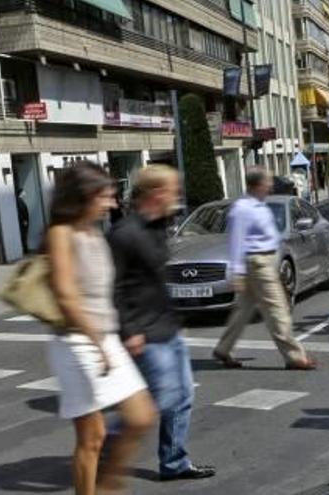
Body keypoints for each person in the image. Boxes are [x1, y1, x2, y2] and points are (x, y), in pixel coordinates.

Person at [45, 162, 156, 495]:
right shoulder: (60, 234)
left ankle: (107, 486)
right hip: (77, 342)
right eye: (104, 197)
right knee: (92, 438)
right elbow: (65, 294)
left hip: (105, 339)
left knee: (141, 416)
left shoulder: (95, 233)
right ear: (83, 197)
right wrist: (97, 342)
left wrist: (123, 331)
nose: (111, 204)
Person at [109, 165, 216, 482]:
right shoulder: (123, 234)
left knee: (182, 397)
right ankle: (105, 451)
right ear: (156, 193)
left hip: (167, 329)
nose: (177, 196)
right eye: (172, 190)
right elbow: (110, 289)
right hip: (144, 333)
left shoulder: (157, 227)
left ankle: (174, 462)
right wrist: (129, 332)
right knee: (153, 402)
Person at [213, 167, 317, 370]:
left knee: (242, 311)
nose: (271, 184)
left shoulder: (259, 205)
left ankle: (223, 348)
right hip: (257, 264)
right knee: (277, 309)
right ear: (258, 184)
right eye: (268, 181)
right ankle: (294, 356)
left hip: (265, 261)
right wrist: (238, 272)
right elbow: (236, 240)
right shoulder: (243, 208)